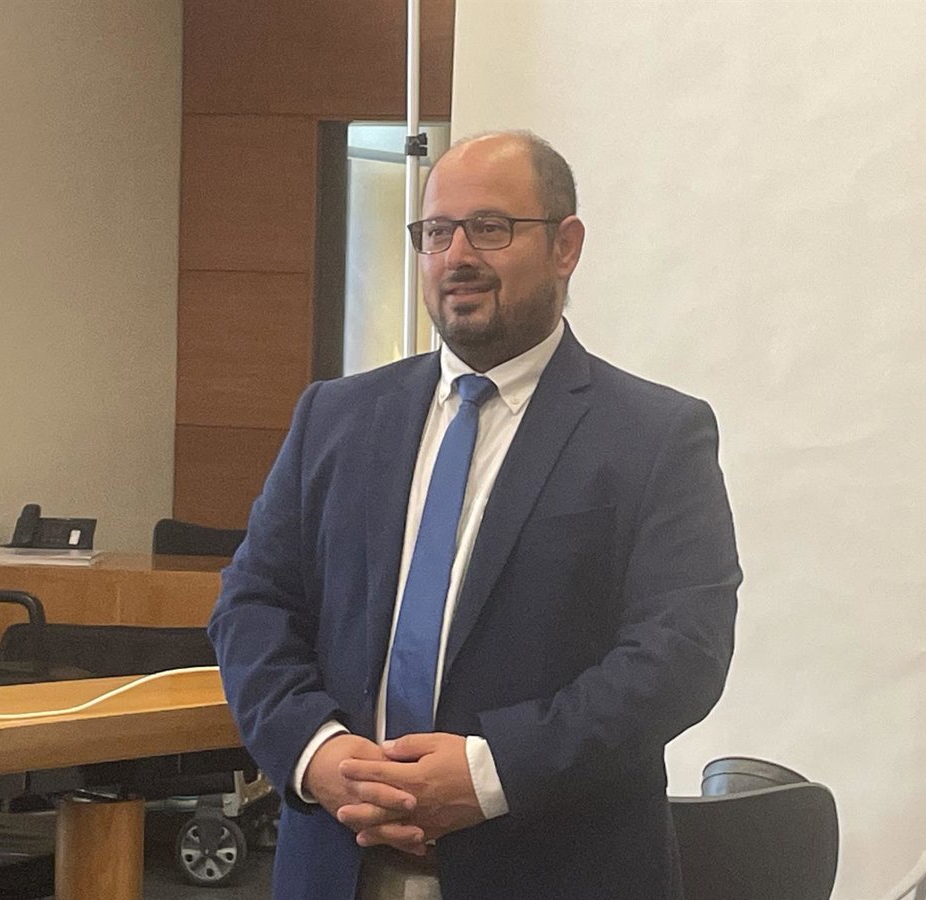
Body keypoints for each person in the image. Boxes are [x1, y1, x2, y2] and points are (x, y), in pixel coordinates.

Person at [208, 130, 741, 900]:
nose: (457, 255)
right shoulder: (334, 417)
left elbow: (680, 654)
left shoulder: (655, 436)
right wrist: (315, 751)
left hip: (553, 871)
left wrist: (490, 774)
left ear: (565, 246)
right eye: (436, 232)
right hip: (335, 864)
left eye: (490, 228)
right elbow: (253, 604)